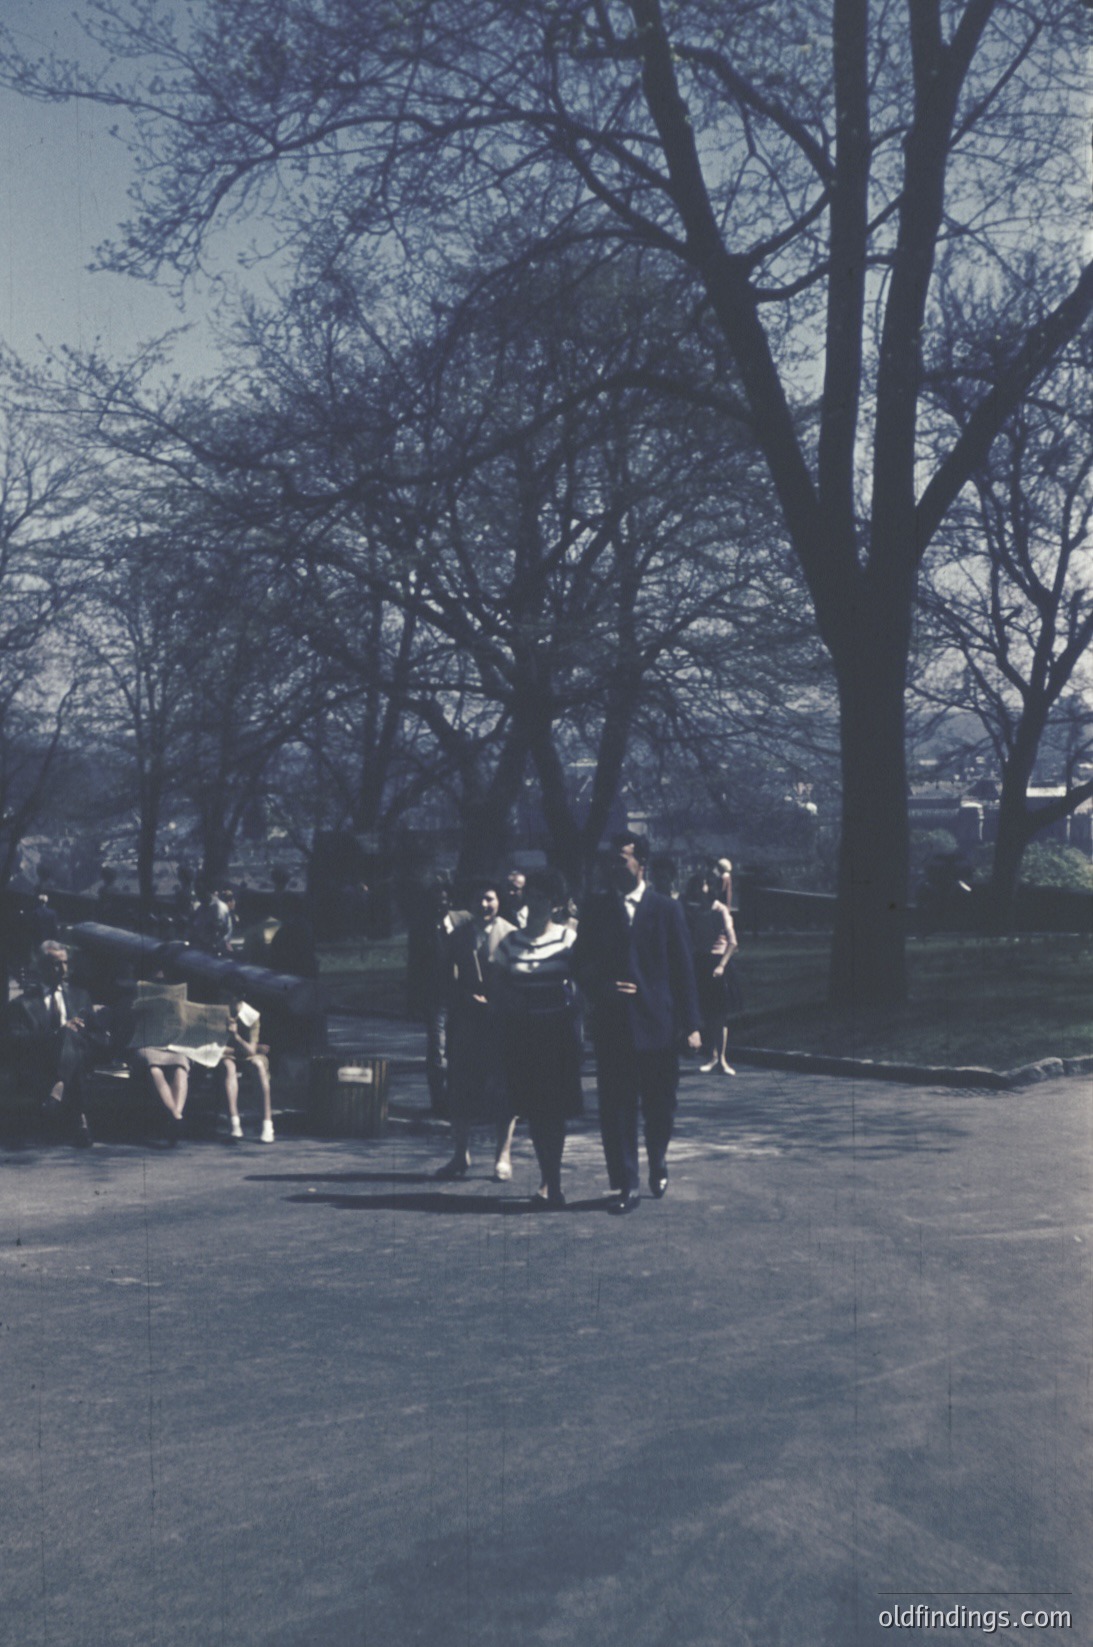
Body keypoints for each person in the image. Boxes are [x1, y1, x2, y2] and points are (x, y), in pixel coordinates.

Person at [573, 831, 701, 1214]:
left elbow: (684, 970)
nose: (614, 865)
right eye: (611, 859)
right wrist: (603, 986)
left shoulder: (666, 909)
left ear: (640, 862)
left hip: (658, 1026)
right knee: (617, 1108)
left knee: (660, 1106)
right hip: (614, 1026)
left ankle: (657, 1159)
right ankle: (626, 1183)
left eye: (622, 858)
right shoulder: (595, 909)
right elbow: (579, 964)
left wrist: (692, 1024)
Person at [493, 868, 583, 1209]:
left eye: (544, 898)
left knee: (554, 1112)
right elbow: (496, 983)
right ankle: (546, 1176)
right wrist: (507, 999)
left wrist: (575, 1006)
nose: (537, 903)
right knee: (532, 1110)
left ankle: (553, 1182)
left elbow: (582, 982)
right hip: (522, 1035)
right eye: (532, 896)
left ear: (556, 903)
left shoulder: (567, 939)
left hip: (556, 1035)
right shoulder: (511, 942)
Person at [434, 880, 515, 1181]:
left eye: (490, 899)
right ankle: (460, 1154)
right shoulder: (457, 937)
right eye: (479, 899)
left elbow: (520, 980)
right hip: (467, 1023)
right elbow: (443, 979)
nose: (485, 905)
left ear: (499, 901)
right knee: (461, 1089)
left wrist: (499, 1001)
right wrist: (463, 996)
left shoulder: (512, 935)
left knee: (504, 1091)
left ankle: (502, 1156)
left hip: (502, 1023)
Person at [6, 941, 108, 1147]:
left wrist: (79, 1033)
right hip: (42, 1060)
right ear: (40, 966)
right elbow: (15, 1040)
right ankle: (80, 1121)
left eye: (65, 963)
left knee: (72, 1036)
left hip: (80, 1054)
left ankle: (58, 1088)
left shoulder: (80, 996)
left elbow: (99, 1036)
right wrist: (57, 1033)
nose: (62, 969)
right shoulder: (22, 1003)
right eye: (55, 964)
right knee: (67, 1035)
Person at [406, 879, 469, 1117]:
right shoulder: (421, 927)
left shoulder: (464, 920)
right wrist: (412, 1001)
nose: (439, 906)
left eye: (443, 901)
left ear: (450, 901)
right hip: (436, 997)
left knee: (460, 1048)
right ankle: (439, 1101)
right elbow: (414, 965)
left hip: (462, 995)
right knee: (437, 1049)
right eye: (434, 901)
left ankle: (459, 1098)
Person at [684, 871, 740, 1075]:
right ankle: (713, 1057)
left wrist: (722, 965)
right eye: (698, 885)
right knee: (708, 1013)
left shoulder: (720, 910)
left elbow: (733, 942)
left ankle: (723, 1059)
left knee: (720, 1014)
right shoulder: (697, 912)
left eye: (704, 885)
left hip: (718, 963)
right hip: (701, 962)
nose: (701, 889)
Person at [219, 999, 275, 1143]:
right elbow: (216, 1047)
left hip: (250, 1055)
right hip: (227, 1055)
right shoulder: (218, 1012)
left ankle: (268, 1124)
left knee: (258, 1065)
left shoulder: (252, 1015)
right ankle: (234, 1123)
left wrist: (236, 1036)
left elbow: (251, 1051)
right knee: (228, 1067)